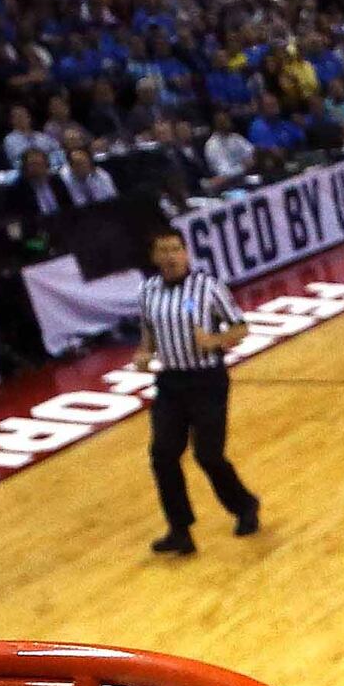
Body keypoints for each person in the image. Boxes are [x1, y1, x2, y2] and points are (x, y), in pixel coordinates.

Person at [131, 226, 258, 555]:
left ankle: (244, 505)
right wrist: (144, 353)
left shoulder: (208, 287)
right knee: (162, 454)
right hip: (171, 383)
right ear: (154, 257)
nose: (170, 256)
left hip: (207, 381)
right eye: (163, 250)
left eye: (175, 249)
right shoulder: (147, 292)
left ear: (186, 252)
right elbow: (148, 331)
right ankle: (180, 529)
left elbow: (241, 327)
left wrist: (214, 341)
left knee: (208, 454)